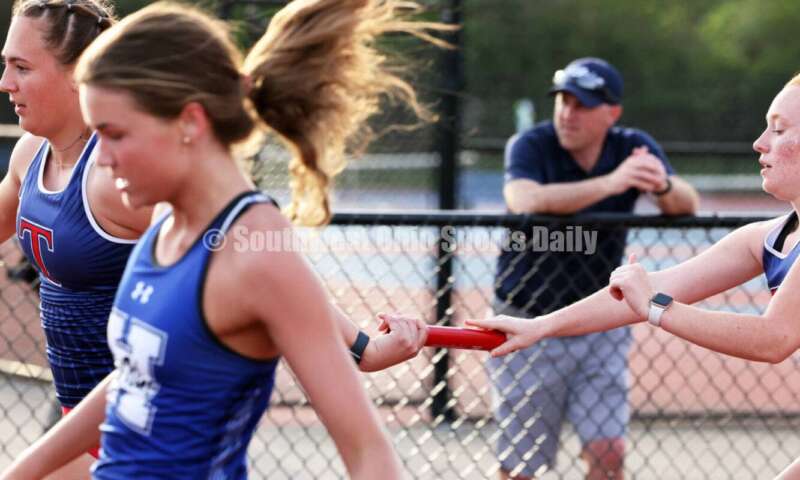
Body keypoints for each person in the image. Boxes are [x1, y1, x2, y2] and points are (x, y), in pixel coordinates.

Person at [0, 1, 447, 478]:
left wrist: (359, 345)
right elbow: (132, 378)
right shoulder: (165, 234)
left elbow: (368, 452)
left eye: (115, 134)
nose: (101, 158)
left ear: (188, 123)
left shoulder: (247, 244)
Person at [472, 72, 800, 480]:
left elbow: (774, 339)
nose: (759, 142)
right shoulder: (769, 237)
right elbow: (656, 286)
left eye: (779, 128)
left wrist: (656, 308)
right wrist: (540, 326)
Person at [489, 57, 699, 480]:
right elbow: (525, 199)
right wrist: (614, 183)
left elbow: (686, 203)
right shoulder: (530, 144)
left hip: (600, 321)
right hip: (528, 319)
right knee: (519, 468)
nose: (568, 113)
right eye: (563, 101)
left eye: (581, 104)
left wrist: (660, 185)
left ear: (612, 113)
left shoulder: (632, 145)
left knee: (608, 455)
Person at [0, 2, 147, 477]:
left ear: (78, 74)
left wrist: (357, 347)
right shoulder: (30, 156)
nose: (5, 83)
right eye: (6, 65)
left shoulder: (119, 175)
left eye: (21, 67)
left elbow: (242, 251)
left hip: (147, 428)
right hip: (81, 419)